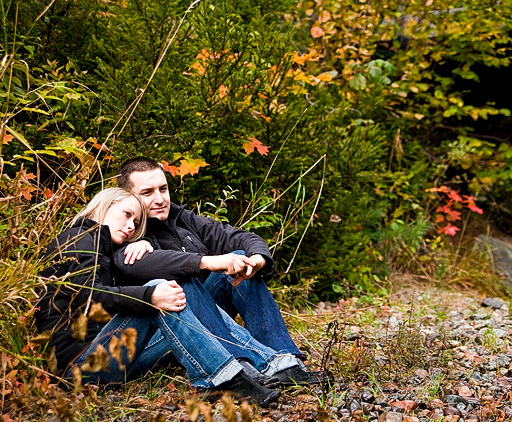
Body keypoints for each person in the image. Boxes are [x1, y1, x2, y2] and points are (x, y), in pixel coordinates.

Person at [35, 187, 299, 406]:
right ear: (103, 206)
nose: (130, 226)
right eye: (126, 215)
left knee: (173, 289)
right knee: (162, 289)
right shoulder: (77, 238)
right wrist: (150, 295)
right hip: (81, 367)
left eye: (136, 223)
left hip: (113, 354)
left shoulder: (106, 248)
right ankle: (222, 377)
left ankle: (270, 363)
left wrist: (146, 254)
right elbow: (90, 295)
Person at [113, 157, 330, 387]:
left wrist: (256, 258)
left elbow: (238, 237)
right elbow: (141, 265)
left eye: (163, 189)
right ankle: (242, 366)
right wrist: (207, 262)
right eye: (147, 193)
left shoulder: (180, 219)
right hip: (159, 334)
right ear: (128, 197)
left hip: (204, 320)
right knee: (181, 282)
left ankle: (285, 362)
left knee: (240, 260)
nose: (159, 199)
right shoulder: (126, 231)